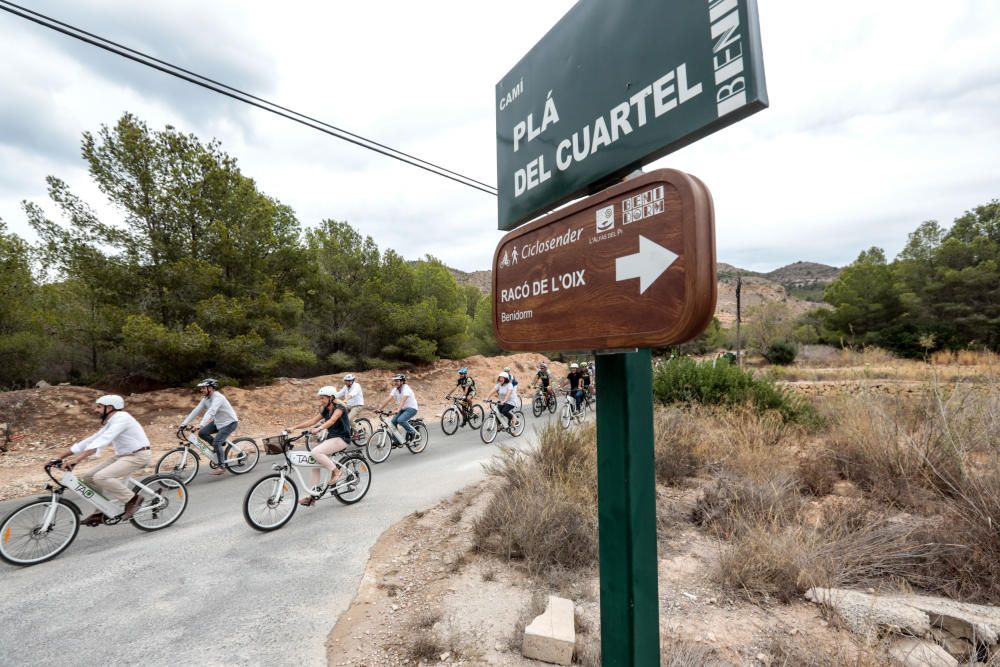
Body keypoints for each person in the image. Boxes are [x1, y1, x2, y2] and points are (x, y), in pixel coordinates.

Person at [56, 395, 151, 526]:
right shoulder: (111, 421)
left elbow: (102, 441)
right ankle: (101, 511)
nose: (96, 410)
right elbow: (91, 440)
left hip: (138, 455)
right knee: (88, 477)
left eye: (99, 407)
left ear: (110, 407)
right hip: (123, 456)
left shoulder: (122, 418)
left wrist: (77, 460)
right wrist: (59, 457)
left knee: (101, 477)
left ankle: (133, 499)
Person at [287, 386, 352, 506]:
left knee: (316, 452)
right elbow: (312, 421)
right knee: (315, 462)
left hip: (342, 438)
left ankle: (337, 472)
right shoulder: (326, 409)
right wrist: (294, 427)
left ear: (331, 397)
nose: (320, 400)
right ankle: (312, 496)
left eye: (322, 398)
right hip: (332, 438)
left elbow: (332, 421)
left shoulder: (340, 407)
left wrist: (320, 428)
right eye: (320, 398)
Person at [179, 378, 239, 476]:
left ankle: (221, 466)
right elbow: (195, 411)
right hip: (218, 422)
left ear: (210, 388)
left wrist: (200, 425)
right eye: (201, 388)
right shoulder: (206, 399)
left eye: (203, 388)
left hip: (230, 423)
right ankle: (218, 447)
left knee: (216, 442)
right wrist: (183, 424)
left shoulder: (218, 397)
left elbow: (211, 411)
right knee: (202, 433)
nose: (201, 390)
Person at [377, 373, 419, 443]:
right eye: (395, 381)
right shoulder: (395, 390)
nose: (395, 382)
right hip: (403, 409)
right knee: (393, 422)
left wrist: (398, 409)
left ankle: (412, 432)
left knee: (401, 420)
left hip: (411, 408)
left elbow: (403, 400)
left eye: (397, 381)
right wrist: (379, 409)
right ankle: (397, 440)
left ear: (402, 382)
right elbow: (388, 399)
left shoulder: (406, 389)